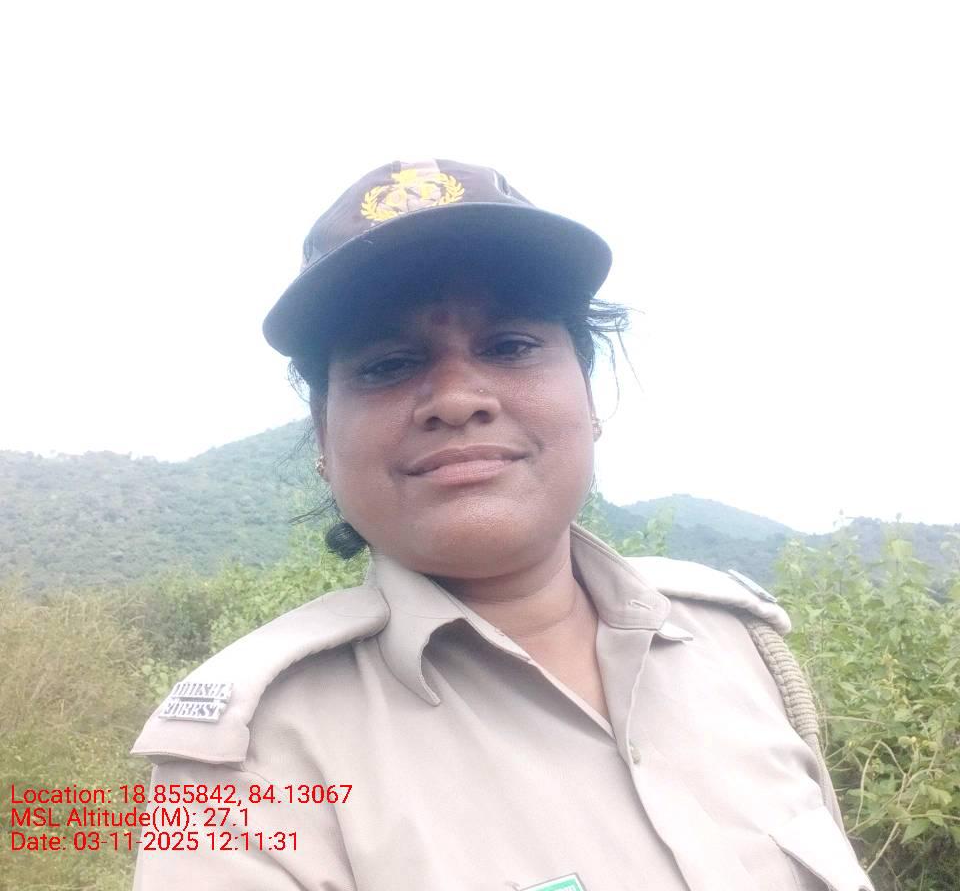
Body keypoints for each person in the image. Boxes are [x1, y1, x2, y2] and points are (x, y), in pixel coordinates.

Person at [131, 159, 875, 891]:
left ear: (591, 397)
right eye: (387, 364)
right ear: (324, 441)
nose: (457, 399)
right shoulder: (239, 763)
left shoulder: (737, 645)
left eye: (511, 346)